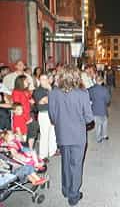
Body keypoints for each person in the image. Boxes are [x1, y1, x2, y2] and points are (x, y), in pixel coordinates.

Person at [48, 67, 94, 206]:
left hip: (62, 133)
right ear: (76, 77)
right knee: (76, 164)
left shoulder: (54, 93)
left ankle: (66, 189)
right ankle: (73, 195)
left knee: (65, 162)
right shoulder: (82, 93)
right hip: (78, 135)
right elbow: (89, 118)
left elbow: (52, 116)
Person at [33, 74, 57, 160]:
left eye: (46, 79)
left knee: (52, 133)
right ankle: (43, 155)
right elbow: (44, 101)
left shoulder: (51, 88)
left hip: (52, 113)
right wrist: (51, 94)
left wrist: (51, 96)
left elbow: (56, 99)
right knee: (44, 135)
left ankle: (52, 151)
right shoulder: (38, 91)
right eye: (42, 79)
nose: (45, 81)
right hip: (44, 114)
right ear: (39, 81)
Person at [12, 75, 38, 150]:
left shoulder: (26, 91)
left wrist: (31, 101)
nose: (28, 82)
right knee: (23, 135)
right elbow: (17, 108)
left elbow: (30, 99)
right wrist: (25, 119)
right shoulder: (16, 92)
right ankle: (25, 151)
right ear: (21, 82)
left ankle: (30, 149)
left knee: (32, 132)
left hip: (30, 113)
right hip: (22, 117)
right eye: (26, 81)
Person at [88, 75, 111, 143]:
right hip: (103, 110)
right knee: (104, 123)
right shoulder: (105, 89)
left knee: (97, 125)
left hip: (95, 110)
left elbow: (89, 98)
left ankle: (98, 138)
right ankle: (105, 135)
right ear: (102, 81)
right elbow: (108, 100)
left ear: (95, 80)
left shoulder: (91, 89)